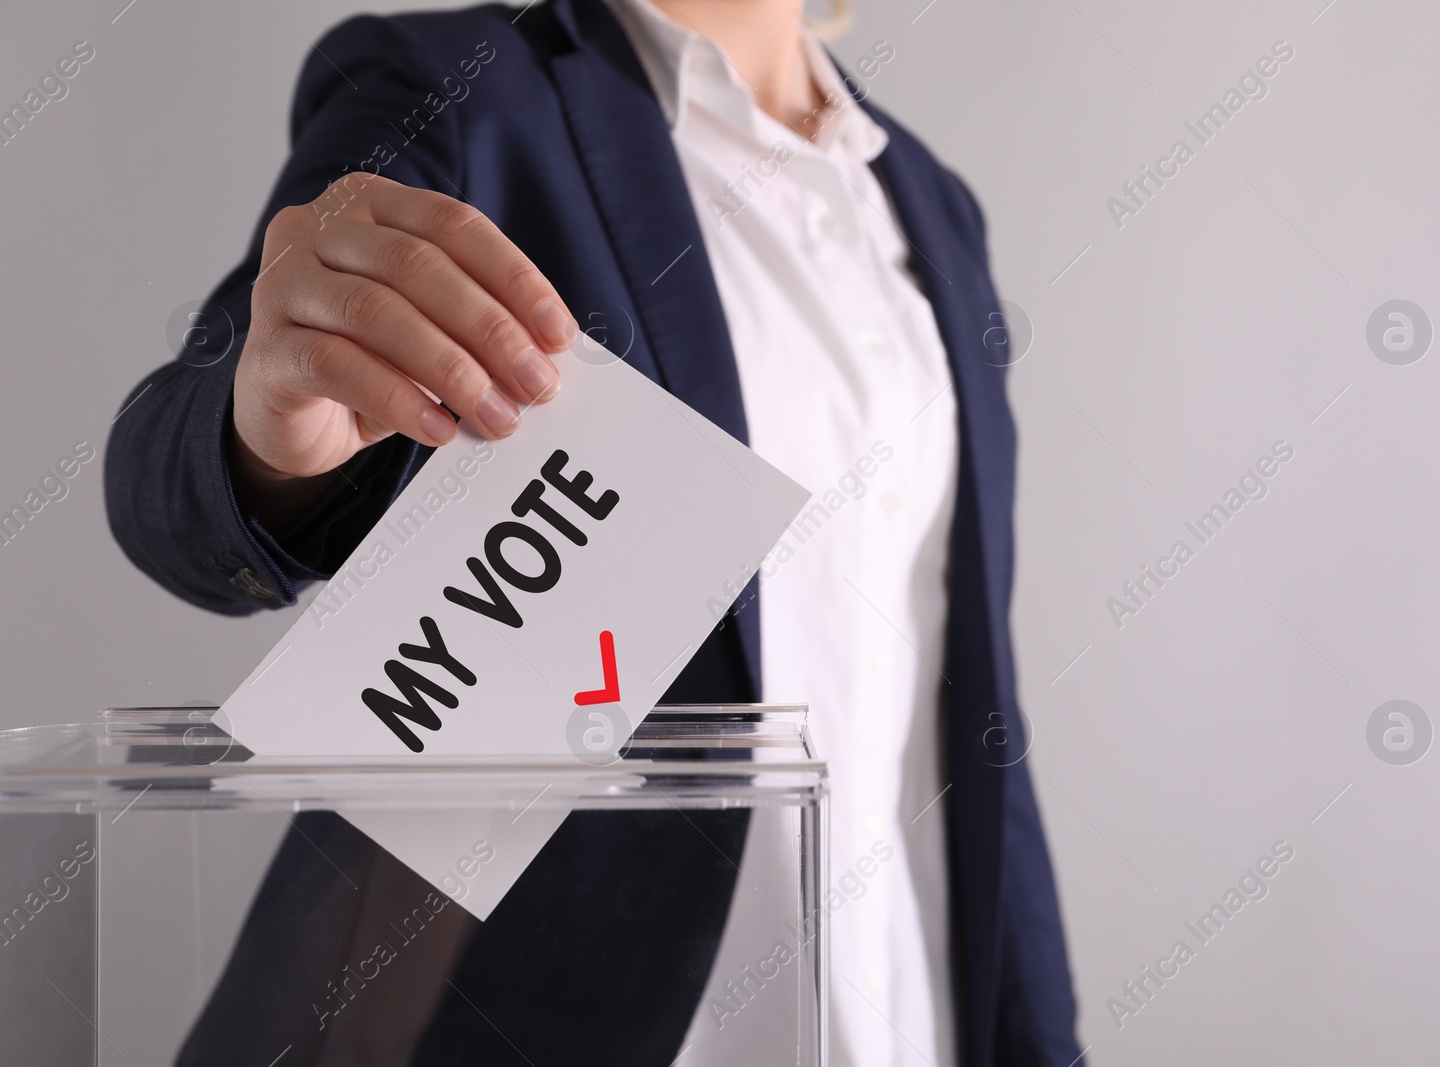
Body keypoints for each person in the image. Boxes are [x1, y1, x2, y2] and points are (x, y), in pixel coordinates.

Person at [105, 0, 1083, 1063]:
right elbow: (174, 464)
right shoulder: (468, 87)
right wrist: (267, 436)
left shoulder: (929, 202)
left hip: (904, 1017)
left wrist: (1038, 1033)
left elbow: (965, 691)